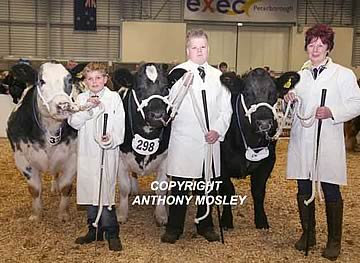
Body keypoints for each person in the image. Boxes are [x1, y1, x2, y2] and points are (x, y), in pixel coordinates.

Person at [284, 24, 360, 260]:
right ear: (306, 47)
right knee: (303, 187)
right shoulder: (300, 75)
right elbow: (292, 105)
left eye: (320, 44)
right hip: (302, 140)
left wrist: (332, 111)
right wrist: (290, 98)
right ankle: (309, 234)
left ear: (328, 48)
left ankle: (334, 241)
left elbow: (356, 104)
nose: (315, 49)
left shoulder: (343, 74)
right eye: (311, 44)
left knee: (330, 189)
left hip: (326, 140)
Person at [161, 29, 232, 244]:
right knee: (180, 187)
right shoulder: (177, 73)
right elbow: (169, 106)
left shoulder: (218, 76)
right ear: (187, 50)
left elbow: (226, 109)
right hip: (185, 140)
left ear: (208, 49)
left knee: (207, 185)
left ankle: (205, 224)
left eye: (203, 47)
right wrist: (182, 85)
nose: (199, 51)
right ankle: (174, 227)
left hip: (209, 141)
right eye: (194, 47)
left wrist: (218, 130)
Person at [68, 62, 125, 251]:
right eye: (90, 78)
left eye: (98, 78)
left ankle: (112, 231)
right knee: (90, 191)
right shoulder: (81, 98)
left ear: (105, 79)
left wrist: (110, 138)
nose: (94, 82)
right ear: (84, 81)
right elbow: (74, 122)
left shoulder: (114, 98)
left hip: (106, 152)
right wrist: (88, 110)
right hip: (87, 152)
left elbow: (120, 125)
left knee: (105, 190)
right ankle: (94, 230)